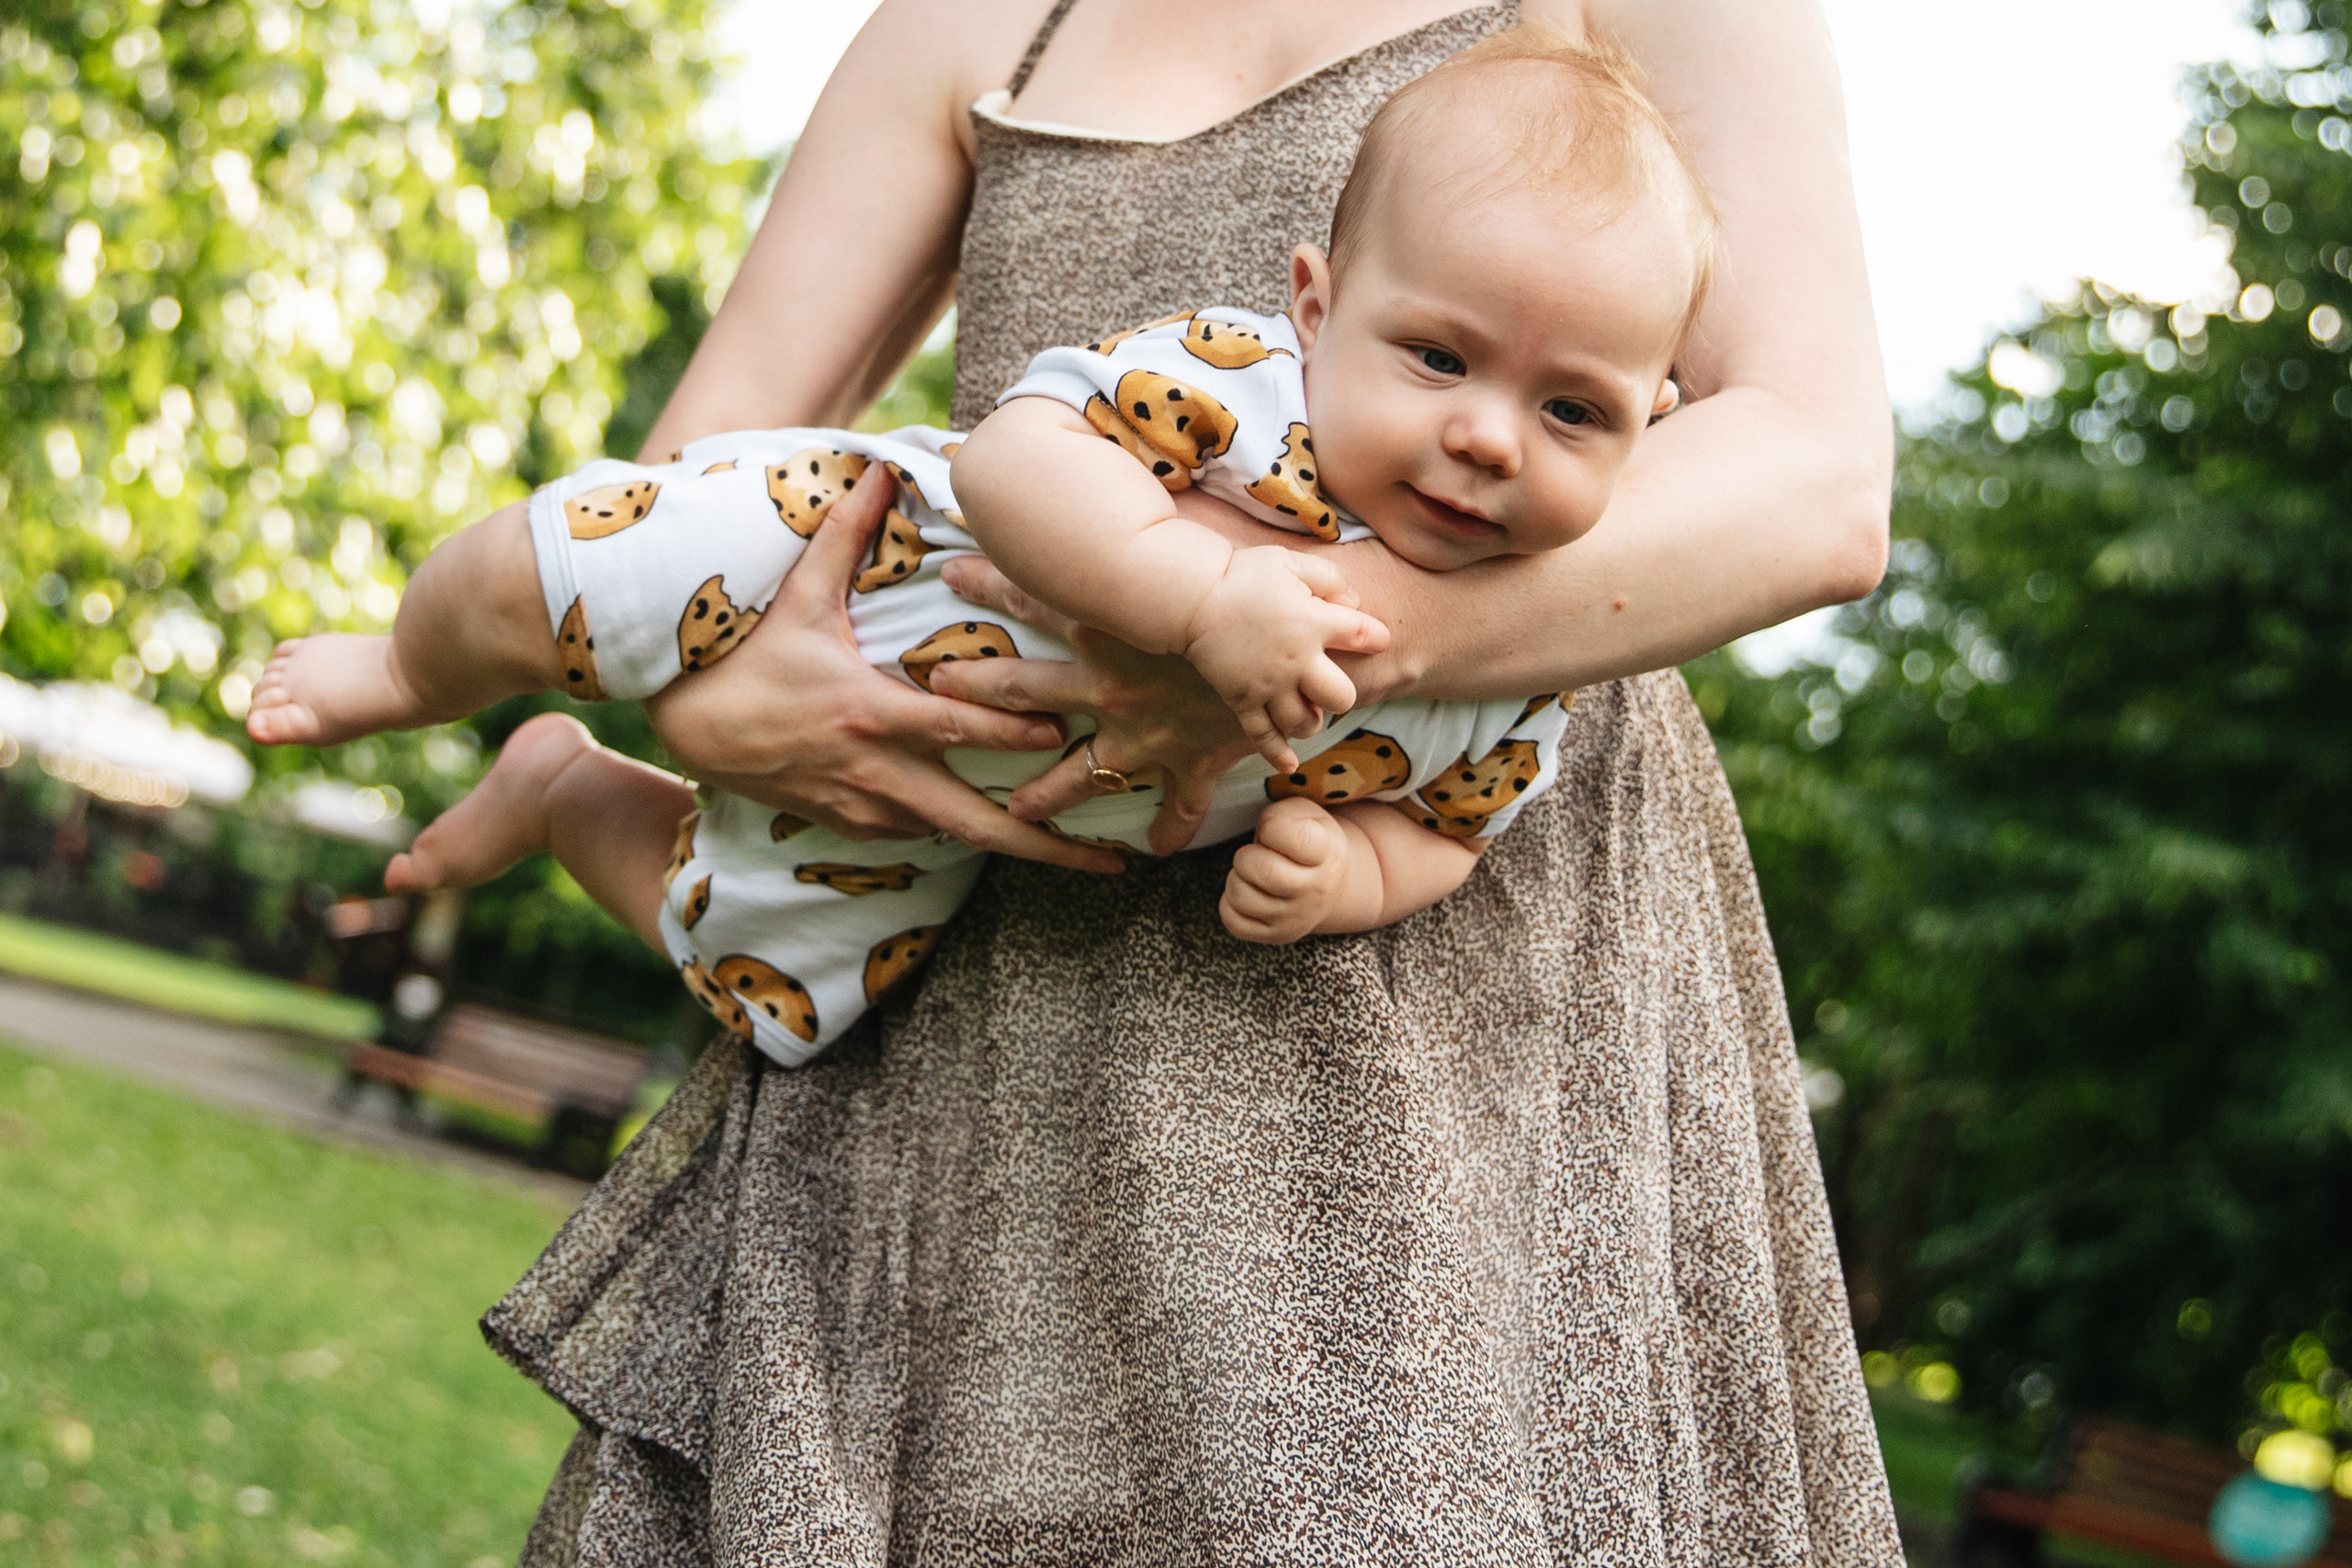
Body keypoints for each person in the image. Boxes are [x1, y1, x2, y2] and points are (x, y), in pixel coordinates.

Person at [482, 0, 1908, 1559]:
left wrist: (1290, 642)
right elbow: (684, 474)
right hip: (982, 993)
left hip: (1439, 1007)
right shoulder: (983, 23)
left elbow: (1816, 482)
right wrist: (719, 703)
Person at [243, 30, 1708, 1063]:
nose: (1491, 437)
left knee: (776, 995)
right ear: (1317, 312)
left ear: (1651, 426)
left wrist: (1350, 874)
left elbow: (1451, 832)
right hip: (858, 554)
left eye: (1571, 410)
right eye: (1440, 359)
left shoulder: (1531, 661)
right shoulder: (1252, 391)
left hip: (958, 805)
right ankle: (413, 661)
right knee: (577, 564)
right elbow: (1020, 458)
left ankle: (566, 794)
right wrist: (1204, 591)